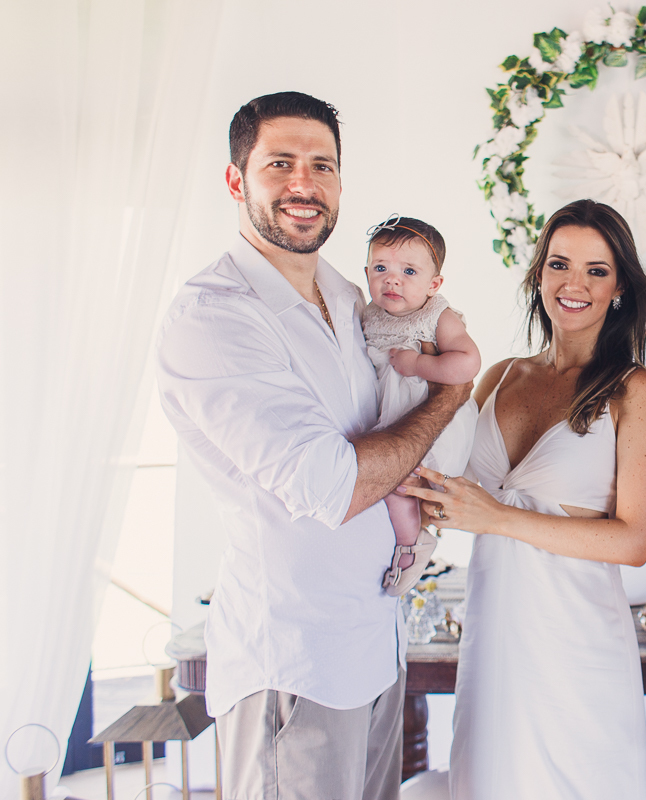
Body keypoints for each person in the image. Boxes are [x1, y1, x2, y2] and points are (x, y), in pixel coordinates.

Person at [156, 92, 472, 800]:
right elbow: (335, 486)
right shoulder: (215, 317)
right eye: (281, 163)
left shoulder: (347, 293)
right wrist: (449, 397)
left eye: (322, 166)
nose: (304, 183)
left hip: (378, 646)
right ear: (236, 180)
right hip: (298, 663)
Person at [403, 199, 646, 800]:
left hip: (577, 648)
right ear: (538, 274)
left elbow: (634, 541)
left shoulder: (635, 390)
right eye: (559, 264)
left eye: (597, 270)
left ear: (620, 288)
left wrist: (496, 517)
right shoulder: (499, 375)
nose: (574, 284)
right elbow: (445, 480)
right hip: (493, 641)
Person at [361, 214, 481, 596]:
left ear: (434, 284)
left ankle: (413, 544)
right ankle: (410, 540)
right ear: (366, 273)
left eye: (409, 271)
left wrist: (417, 365)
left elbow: (468, 363)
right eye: (381, 268)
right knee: (392, 483)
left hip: (434, 422)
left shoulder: (436, 315)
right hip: (394, 419)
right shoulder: (368, 315)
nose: (392, 280)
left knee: (404, 483)